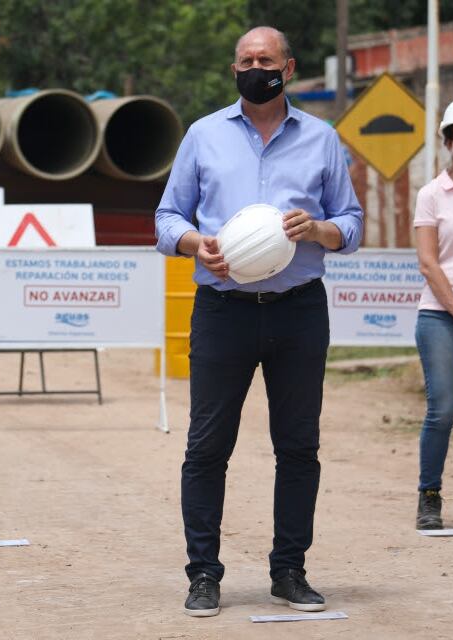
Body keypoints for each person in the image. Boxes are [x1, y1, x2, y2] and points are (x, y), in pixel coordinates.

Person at [154, 27, 363, 617]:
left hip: (299, 309)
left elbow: (350, 223)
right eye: (245, 60)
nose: (255, 67)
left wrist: (319, 230)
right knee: (206, 447)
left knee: (298, 446)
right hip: (223, 310)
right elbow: (167, 217)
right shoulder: (203, 136)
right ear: (233, 69)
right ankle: (203, 574)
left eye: (265, 59)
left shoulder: (322, 140)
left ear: (288, 68)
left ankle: (289, 571)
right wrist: (198, 243)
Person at [413, 95, 453, 530]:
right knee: (445, 406)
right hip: (441, 314)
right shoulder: (431, 194)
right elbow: (429, 263)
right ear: (449, 142)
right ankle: (429, 496)